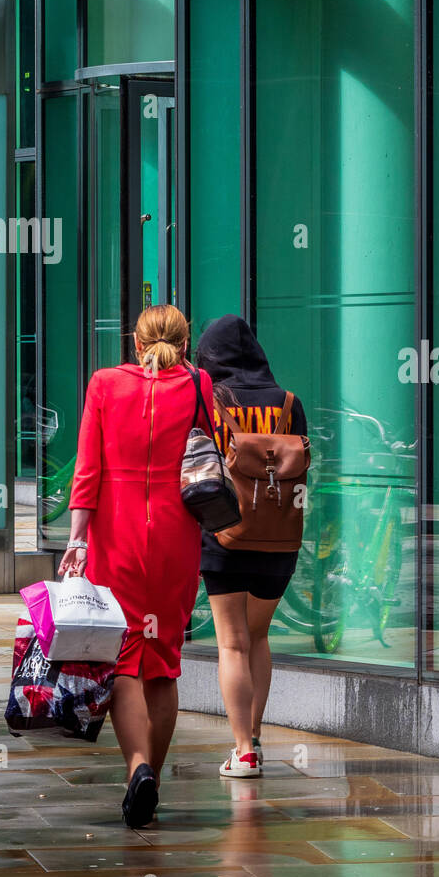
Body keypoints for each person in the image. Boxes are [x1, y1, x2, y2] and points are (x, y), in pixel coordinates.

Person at [60, 305, 214, 827]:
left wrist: (77, 539)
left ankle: (137, 769)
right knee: (163, 661)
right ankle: (148, 782)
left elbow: (87, 468)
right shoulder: (199, 384)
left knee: (123, 659)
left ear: (135, 341)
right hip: (175, 537)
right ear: (185, 342)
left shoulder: (104, 384)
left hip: (116, 535)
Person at [194, 315, 307, 778]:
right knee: (258, 637)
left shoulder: (212, 398)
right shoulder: (289, 403)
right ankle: (255, 735)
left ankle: (243, 751)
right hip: (280, 540)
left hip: (225, 534)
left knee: (232, 644)